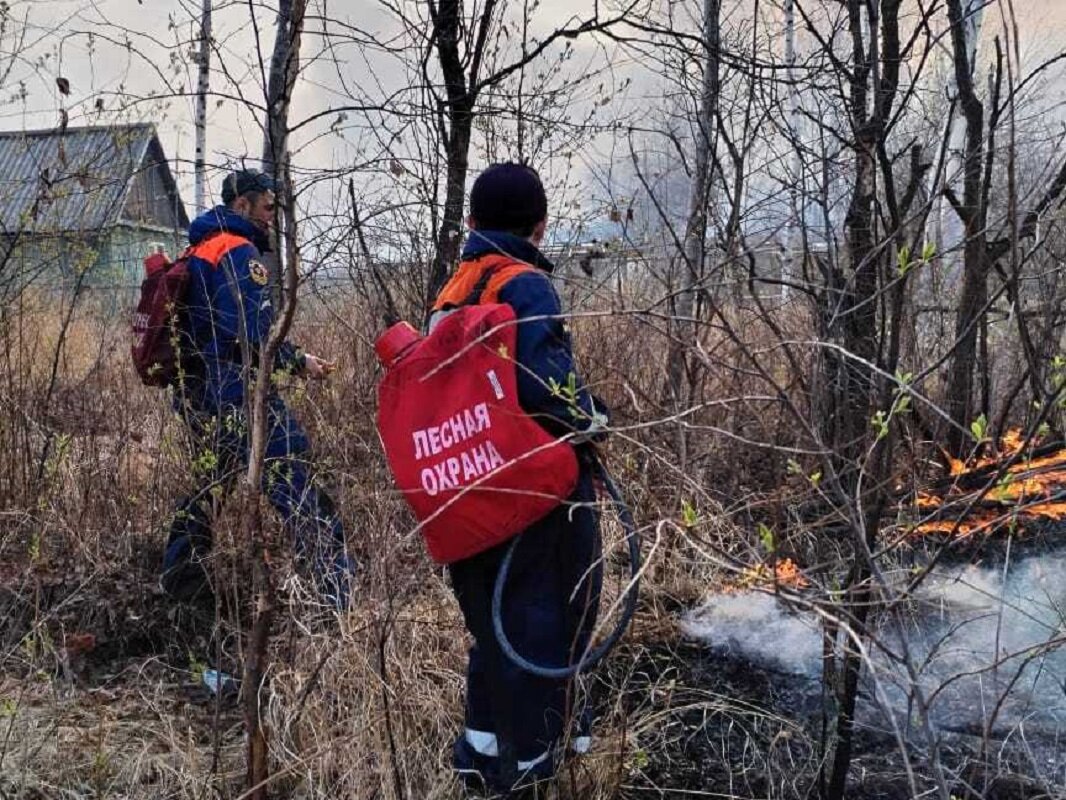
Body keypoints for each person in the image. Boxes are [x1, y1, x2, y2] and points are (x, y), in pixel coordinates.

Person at [430, 163, 608, 795]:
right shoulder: (524, 284)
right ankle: (533, 766)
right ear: (540, 225)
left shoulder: (454, 289)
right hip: (528, 496)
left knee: (492, 628)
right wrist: (593, 417)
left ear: (472, 223)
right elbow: (543, 386)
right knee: (546, 619)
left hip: (465, 497)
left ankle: (480, 756)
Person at [160, 168, 353, 608]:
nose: (272, 217)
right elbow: (251, 333)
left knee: (212, 485)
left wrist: (296, 360)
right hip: (238, 394)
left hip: (199, 395)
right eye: (268, 207)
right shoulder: (237, 251)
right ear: (242, 205)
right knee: (292, 475)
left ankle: (177, 584)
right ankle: (337, 597)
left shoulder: (199, 249)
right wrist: (294, 360)